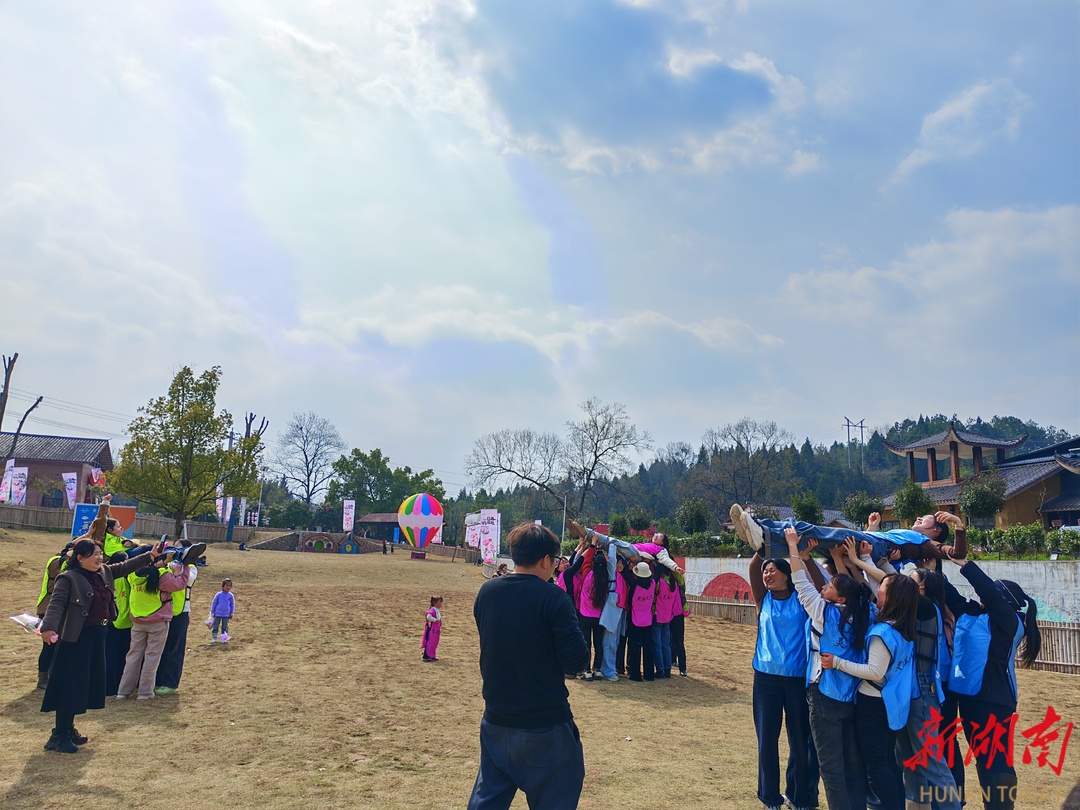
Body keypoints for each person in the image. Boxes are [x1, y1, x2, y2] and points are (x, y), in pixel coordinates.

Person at [467, 523, 589, 809]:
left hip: (496, 719)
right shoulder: (554, 598)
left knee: (488, 799)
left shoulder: (488, 592)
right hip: (544, 723)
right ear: (546, 560)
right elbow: (577, 660)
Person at [39, 537, 165, 753]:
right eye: (94, 554)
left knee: (82, 687)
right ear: (79, 558)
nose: (99, 557)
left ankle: (68, 729)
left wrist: (150, 556)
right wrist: (48, 628)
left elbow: (125, 567)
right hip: (76, 641)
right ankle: (58, 735)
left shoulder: (103, 572)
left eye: (99, 553)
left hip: (97, 638)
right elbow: (56, 604)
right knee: (70, 687)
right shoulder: (68, 578)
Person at [941, 558, 1041, 810]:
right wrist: (933, 567)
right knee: (983, 759)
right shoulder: (975, 615)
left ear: (1003, 599)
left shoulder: (1009, 622)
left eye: (993, 593)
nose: (983, 596)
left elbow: (989, 594)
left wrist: (965, 564)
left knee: (996, 760)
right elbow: (951, 597)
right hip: (971, 699)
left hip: (995, 701)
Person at [785, 526, 874, 810]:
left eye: (829, 586)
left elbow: (801, 583)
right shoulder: (866, 613)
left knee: (831, 769)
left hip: (824, 696)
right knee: (851, 766)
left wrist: (792, 548)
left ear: (839, 598)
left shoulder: (826, 613)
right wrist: (843, 559)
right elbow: (857, 590)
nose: (823, 587)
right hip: (851, 697)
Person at [824, 573, 921, 810]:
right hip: (893, 705)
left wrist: (837, 662)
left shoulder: (882, 633)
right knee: (888, 761)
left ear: (894, 597)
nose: (878, 590)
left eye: (884, 588)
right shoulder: (904, 627)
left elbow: (875, 671)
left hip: (873, 703)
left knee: (875, 765)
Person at [749, 546, 818, 810]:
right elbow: (753, 568)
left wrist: (801, 556)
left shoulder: (802, 599)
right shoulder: (762, 599)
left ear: (788, 575)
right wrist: (761, 548)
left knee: (800, 741)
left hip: (797, 679)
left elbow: (817, 582)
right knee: (767, 740)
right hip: (766, 680)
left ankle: (799, 796)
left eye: (773, 570)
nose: (767, 574)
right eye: (766, 571)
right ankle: (770, 798)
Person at [897, 568, 961, 810]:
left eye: (910, 577)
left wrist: (866, 560)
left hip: (923, 690)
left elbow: (890, 581)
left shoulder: (925, 608)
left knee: (932, 762)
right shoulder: (920, 607)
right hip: (914, 688)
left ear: (921, 586)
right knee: (911, 760)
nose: (903, 579)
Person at [732, 504, 966, 565]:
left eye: (925, 518)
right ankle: (762, 541)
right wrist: (871, 528)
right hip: (871, 542)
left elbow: (957, 553)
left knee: (809, 529)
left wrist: (958, 523)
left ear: (937, 529)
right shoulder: (906, 534)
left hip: (873, 549)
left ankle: (762, 531)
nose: (919, 518)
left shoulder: (926, 543)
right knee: (811, 540)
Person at [116, 551, 191, 700]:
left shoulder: (132, 575)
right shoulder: (162, 575)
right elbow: (180, 584)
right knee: (152, 658)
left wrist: (161, 562)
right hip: (157, 621)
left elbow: (148, 570)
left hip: (137, 621)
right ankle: (144, 693)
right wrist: (184, 567)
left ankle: (123, 691)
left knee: (133, 657)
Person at [155, 546, 198, 695]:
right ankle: (156, 680)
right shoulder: (167, 564)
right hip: (162, 611)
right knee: (160, 647)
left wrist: (180, 563)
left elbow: (184, 579)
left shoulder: (191, 568)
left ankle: (170, 682)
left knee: (174, 648)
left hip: (180, 613)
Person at [35, 543, 71, 690]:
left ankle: (52, 675)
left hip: (57, 609)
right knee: (49, 646)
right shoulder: (55, 562)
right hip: (49, 609)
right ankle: (42, 679)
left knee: (58, 646)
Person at [210, 578, 235, 642]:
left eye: (230, 586)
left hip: (226, 614)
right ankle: (214, 638)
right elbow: (214, 603)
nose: (228, 587)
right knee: (215, 626)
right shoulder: (218, 594)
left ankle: (224, 639)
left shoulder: (231, 595)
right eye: (226, 585)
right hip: (217, 613)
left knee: (225, 627)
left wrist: (232, 613)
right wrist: (212, 612)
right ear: (223, 586)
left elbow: (232, 605)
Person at [423, 596, 443, 662]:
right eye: (439, 602)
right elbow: (428, 616)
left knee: (434, 643)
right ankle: (427, 656)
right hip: (431, 630)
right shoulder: (432, 610)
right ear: (434, 603)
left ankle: (432, 655)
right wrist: (435, 620)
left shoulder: (436, 610)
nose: (441, 604)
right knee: (431, 643)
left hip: (436, 630)